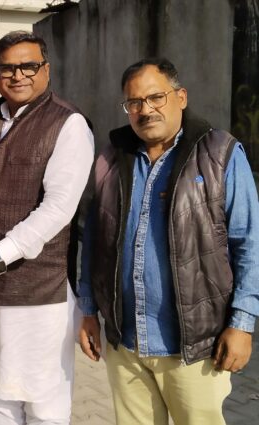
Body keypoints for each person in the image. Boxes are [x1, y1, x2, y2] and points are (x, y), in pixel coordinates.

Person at [77, 58, 259, 425]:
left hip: (194, 347)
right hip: (126, 343)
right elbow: (94, 237)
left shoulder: (219, 154)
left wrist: (242, 323)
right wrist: (88, 311)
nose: (145, 110)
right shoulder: (112, 157)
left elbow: (248, 243)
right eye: (134, 102)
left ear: (181, 97)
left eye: (155, 97)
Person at [0, 31, 94, 424]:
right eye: (8, 67)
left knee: (44, 399)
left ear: (46, 70)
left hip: (37, 288)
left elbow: (58, 209)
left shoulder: (68, 124)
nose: (18, 75)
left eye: (29, 66)